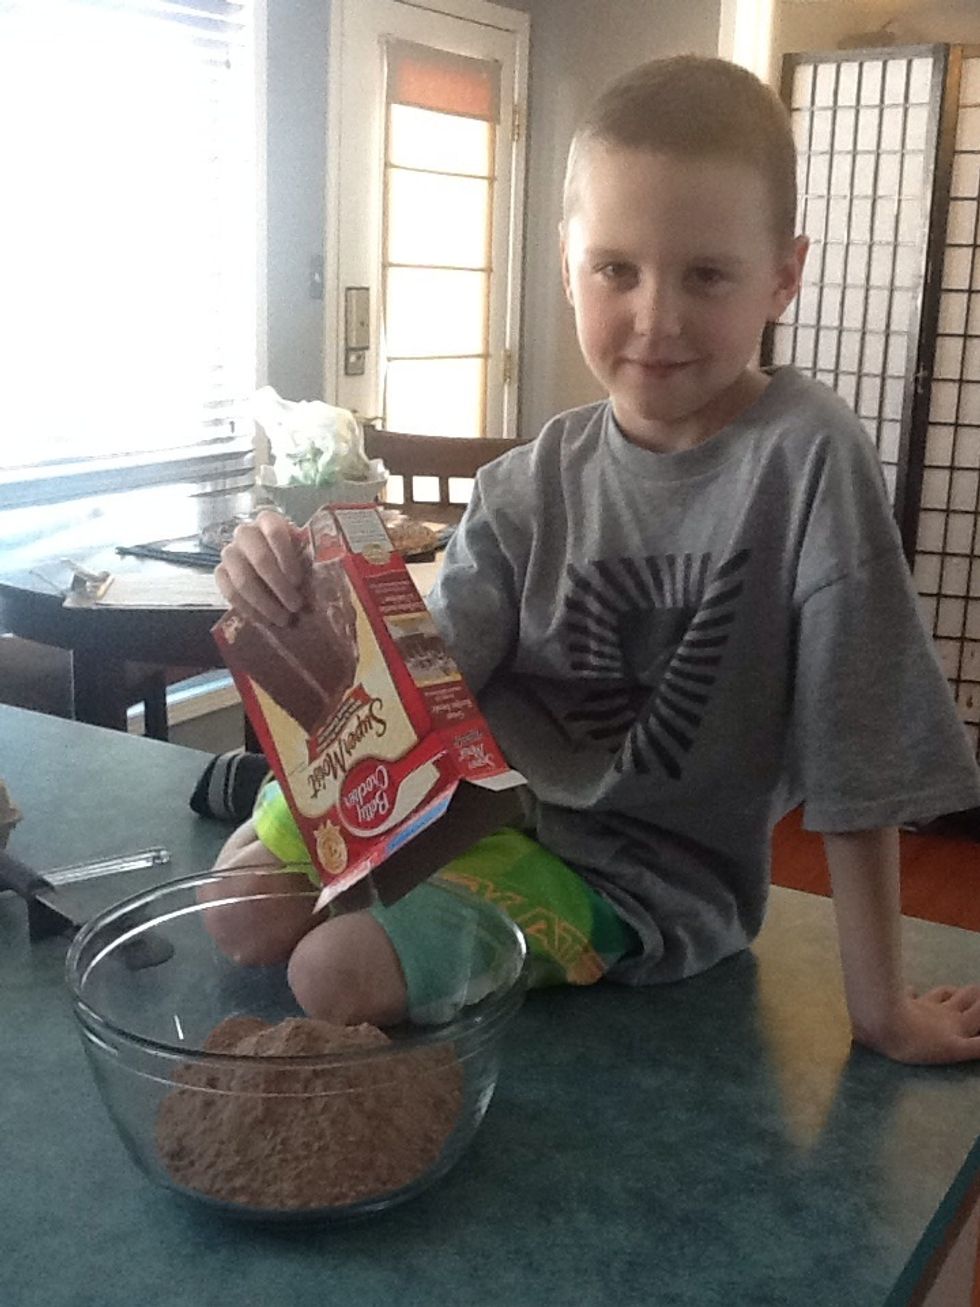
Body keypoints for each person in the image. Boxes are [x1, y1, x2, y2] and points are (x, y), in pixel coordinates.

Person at [214, 54, 980, 1063]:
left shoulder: (806, 456)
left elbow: (858, 735)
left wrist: (879, 1009)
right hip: (472, 809)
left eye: (704, 273)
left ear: (782, 276)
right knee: (237, 908)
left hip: (642, 877)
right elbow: (416, 689)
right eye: (615, 268)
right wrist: (293, 597)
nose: (654, 317)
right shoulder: (530, 479)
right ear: (568, 261)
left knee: (331, 972)